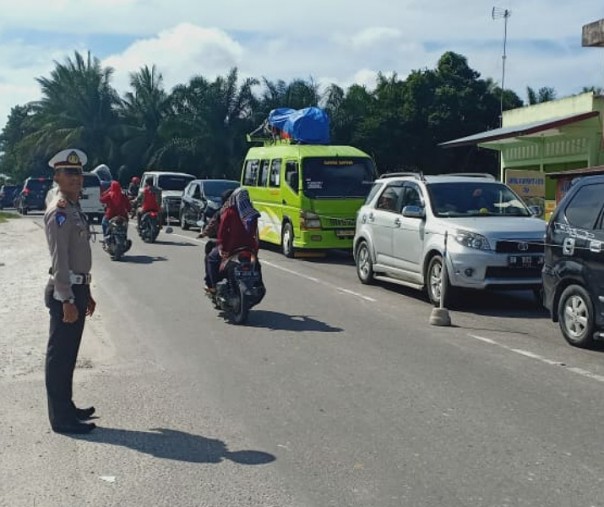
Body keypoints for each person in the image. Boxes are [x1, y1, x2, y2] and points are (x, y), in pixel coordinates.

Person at [43, 148, 97, 434]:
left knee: (69, 355)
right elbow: (60, 260)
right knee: (60, 357)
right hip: (65, 292)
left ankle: (67, 406)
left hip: (77, 288)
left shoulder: (73, 208)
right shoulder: (60, 211)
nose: (76, 178)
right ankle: (61, 418)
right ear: (57, 177)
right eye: (69, 173)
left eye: (79, 173)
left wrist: (86, 292)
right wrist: (66, 298)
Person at [205, 188, 260, 293]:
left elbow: (222, 232)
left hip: (232, 247)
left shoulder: (229, 211)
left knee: (211, 258)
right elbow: (256, 234)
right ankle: (257, 285)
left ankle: (213, 287)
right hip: (249, 247)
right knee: (256, 264)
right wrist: (254, 250)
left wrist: (223, 248)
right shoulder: (252, 214)